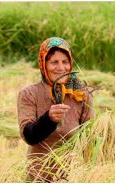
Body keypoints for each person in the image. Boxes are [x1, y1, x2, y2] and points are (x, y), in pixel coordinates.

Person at [17, 37, 94, 182]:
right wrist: (49, 119)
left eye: (65, 62)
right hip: (39, 174)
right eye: (54, 62)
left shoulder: (81, 95)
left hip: (73, 175)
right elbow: (29, 136)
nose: (61, 68)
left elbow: (90, 137)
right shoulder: (29, 94)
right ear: (43, 64)